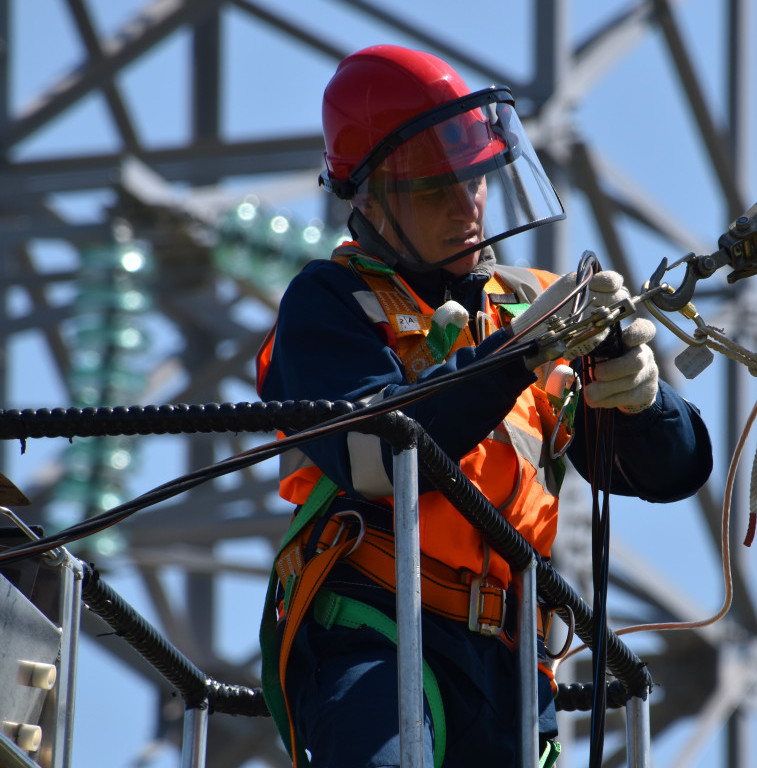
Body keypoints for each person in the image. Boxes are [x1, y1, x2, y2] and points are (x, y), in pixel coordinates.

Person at [256, 44, 713, 768]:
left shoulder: (531, 303)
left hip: (510, 664)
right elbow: (373, 457)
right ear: (368, 200)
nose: (465, 207)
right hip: (378, 625)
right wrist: (512, 359)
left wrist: (643, 398)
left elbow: (668, 471)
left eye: (473, 180)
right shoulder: (331, 303)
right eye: (433, 190)